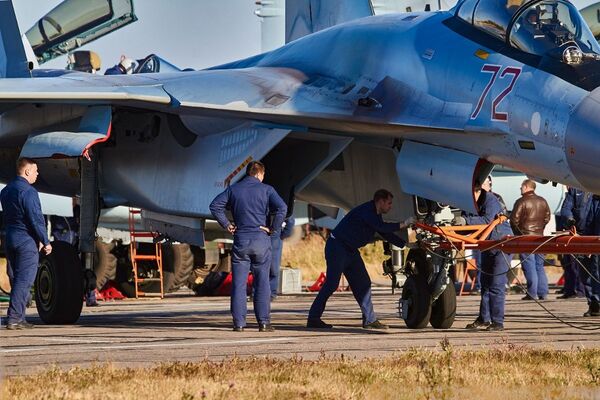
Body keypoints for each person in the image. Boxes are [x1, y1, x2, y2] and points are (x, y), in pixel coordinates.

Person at [307, 189, 414, 330]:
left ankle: (369, 320)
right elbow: (381, 227)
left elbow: (383, 232)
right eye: (389, 203)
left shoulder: (376, 215)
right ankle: (313, 319)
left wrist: (406, 244)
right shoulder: (366, 211)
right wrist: (404, 223)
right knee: (332, 284)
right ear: (380, 202)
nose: (390, 206)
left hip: (350, 250)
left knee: (363, 284)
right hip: (337, 247)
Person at [209, 161, 287, 332]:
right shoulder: (267, 189)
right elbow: (282, 208)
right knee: (262, 283)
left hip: (241, 240)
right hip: (261, 240)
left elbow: (215, 206)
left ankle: (239, 324)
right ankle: (264, 323)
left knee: (239, 284)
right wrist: (273, 229)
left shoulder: (234, 189)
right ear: (260, 174)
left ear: (248, 173)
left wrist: (227, 225)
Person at [1, 158, 52, 330]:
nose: (38, 174)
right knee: (24, 280)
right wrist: (45, 240)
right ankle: (14, 318)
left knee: (16, 279)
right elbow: (36, 219)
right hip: (26, 241)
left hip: (10, 238)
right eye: (36, 170)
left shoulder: (6, 191)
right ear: (27, 171)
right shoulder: (29, 192)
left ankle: (19, 317)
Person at [462, 181, 513, 331]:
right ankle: (484, 318)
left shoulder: (491, 199)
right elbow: (466, 226)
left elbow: (486, 221)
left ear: (478, 191)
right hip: (486, 244)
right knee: (485, 283)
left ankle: (497, 322)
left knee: (496, 284)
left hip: (501, 244)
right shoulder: (469, 203)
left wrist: (464, 221)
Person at [510, 179, 551, 301]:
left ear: (526, 187)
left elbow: (513, 220)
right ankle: (543, 292)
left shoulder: (521, 201)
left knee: (529, 265)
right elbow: (547, 218)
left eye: (521, 187)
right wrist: (540, 228)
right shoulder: (542, 201)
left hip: (526, 238)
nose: (520, 189)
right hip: (540, 237)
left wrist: (518, 234)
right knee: (539, 265)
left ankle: (532, 293)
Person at [558, 187, 589, 299]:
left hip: (593, 233)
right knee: (578, 267)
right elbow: (566, 208)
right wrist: (570, 220)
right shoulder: (575, 191)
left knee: (594, 269)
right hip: (578, 234)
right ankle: (592, 302)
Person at [582, 194, 600, 317]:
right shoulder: (595, 200)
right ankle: (596, 305)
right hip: (597, 244)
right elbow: (589, 222)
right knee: (596, 273)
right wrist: (587, 245)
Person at [269, 216, 295, 300]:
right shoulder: (278, 203)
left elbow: (290, 220)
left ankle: (258, 293)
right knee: (273, 267)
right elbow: (290, 220)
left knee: (259, 265)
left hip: (264, 234)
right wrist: (282, 235)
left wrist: (282, 235)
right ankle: (271, 294)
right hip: (275, 235)